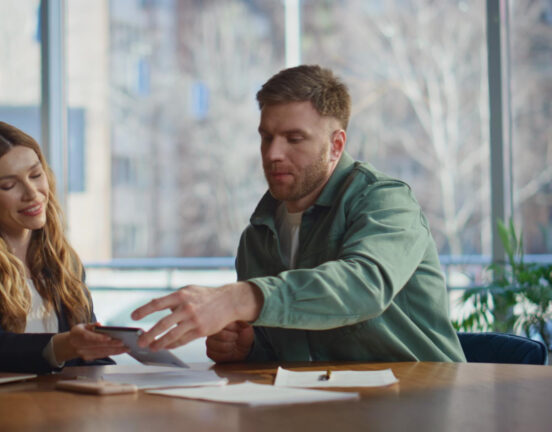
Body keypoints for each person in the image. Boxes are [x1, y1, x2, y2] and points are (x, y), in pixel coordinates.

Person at [131, 65, 466, 363]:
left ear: (336, 145)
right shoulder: (257, 237)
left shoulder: (385, 201)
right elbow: (293, 349)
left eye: (294, 139)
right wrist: (245, 349)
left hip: (423, 403)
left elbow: (364, 285)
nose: (273, 154)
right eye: (266, 137)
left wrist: (240, 298)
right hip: (327, 408)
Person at [0, 121, 127, 374]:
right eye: (9, 185)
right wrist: (65, 345)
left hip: (63, 408)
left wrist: (110, 351)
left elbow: (87, 358)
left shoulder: (63, 259)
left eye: (36, 175)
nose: (32, 193)